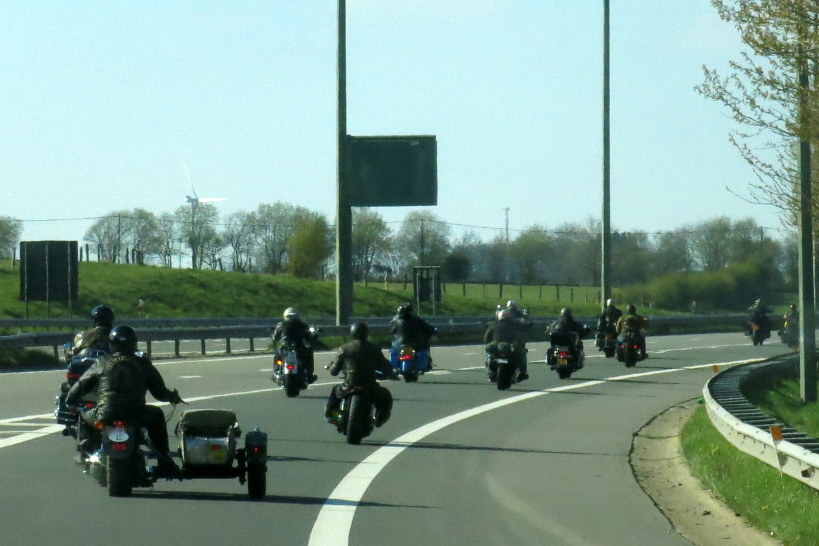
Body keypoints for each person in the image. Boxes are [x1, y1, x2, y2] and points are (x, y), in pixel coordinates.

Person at [65, 325, 183, 476]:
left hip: (105, 414)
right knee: (157, 415)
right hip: (137, 415)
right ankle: (165, 461)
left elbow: (81, 384)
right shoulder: (142, 362)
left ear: (111, 343)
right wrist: (172, 397)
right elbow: (159, 392)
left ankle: (85, 452)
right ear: (133, 343)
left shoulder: (102, 361)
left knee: (83, 414)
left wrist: (70, 401)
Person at [325, 322, 399, 427]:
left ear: (352, 333)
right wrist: (392, 374)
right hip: (370, 387)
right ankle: (379, 419)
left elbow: (334, 371)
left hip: (348, 386)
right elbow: (385, 366)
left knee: (335, 393)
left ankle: (333, 416)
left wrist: (332, 367)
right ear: (366, 334)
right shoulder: (374, 348)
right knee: (386, 397)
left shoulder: (344, 349)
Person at [272, 307, 318, 383]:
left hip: (289, 347)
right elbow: (275, 336)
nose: (291, 319)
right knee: (278, 357)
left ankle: (277, 371)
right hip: (293, 347)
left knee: (278, 355)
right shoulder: (301, 325)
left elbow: (275, 337)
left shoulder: (282, 325)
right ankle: (278, 371)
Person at [389, 303, 437, 371]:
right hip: (412, 343)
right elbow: (427, 327)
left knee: (394, 351)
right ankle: (424, 365)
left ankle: (423, 365)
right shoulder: (415, 319)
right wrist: (433, 330)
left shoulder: (395, 320)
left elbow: (392, 331)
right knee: (423, 348)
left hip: (400, 343)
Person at [484, 309, 530, 381]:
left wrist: (487, 342)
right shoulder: (514, 325)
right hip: (508, 347)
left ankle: (490, 372)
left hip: (500, 348)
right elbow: (521, 334)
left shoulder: (494, 325)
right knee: (522, 353)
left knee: (488, 352)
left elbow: (487, 336)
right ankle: (523, 372)